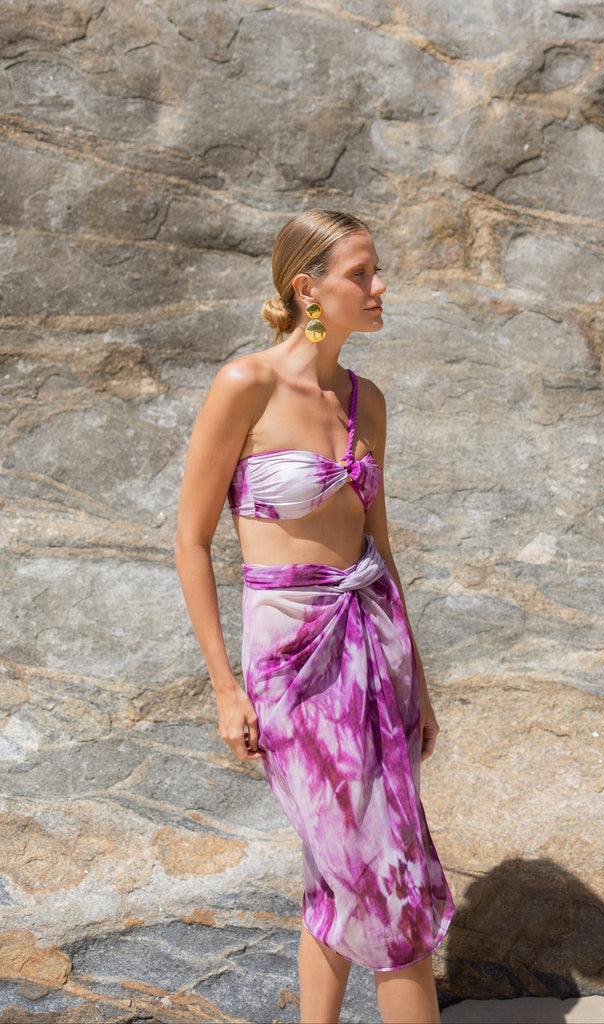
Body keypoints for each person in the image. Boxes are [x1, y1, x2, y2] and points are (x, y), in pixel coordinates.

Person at [175, 209, 453, 1024]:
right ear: (308, 288)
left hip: (375, 643)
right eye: (361, 273)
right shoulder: (246, 384)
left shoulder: (368, 401)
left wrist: (418, 681)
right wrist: (225, 688)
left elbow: (380, 545)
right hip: (292, 660)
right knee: (391, 885)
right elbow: (191, 541)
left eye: (376, 271)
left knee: (337, 874)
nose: (380, 286)